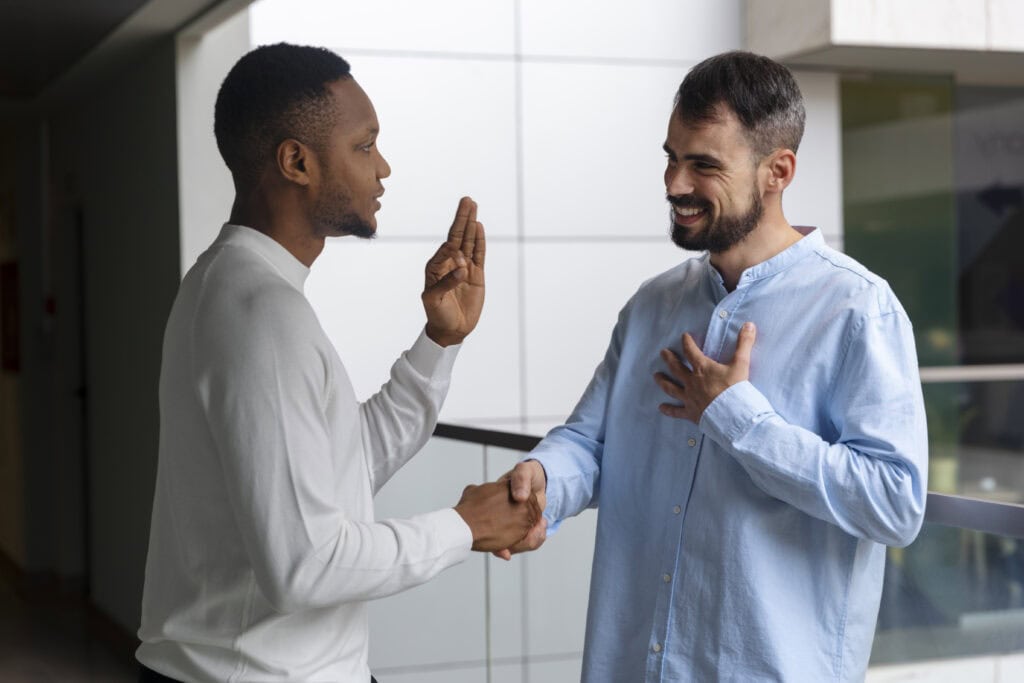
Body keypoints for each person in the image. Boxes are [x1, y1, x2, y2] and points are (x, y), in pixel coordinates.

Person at [500, 51, 929, 681]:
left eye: (703, 164)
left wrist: (737, 417)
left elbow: (895, 504)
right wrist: (543, 481)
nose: (675, 183)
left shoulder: (858, 310)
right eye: (671, 157)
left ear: (776, 171)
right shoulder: (653, 304)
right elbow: (590, 442)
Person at [136, 43, 540, 683]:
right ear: (296, 161)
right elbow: (305, 565)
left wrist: (438, 341)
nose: (383, 167)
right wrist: (466, 527)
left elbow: (338, 469)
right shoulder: (261, 316)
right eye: (364, 145)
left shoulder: (236, 289)